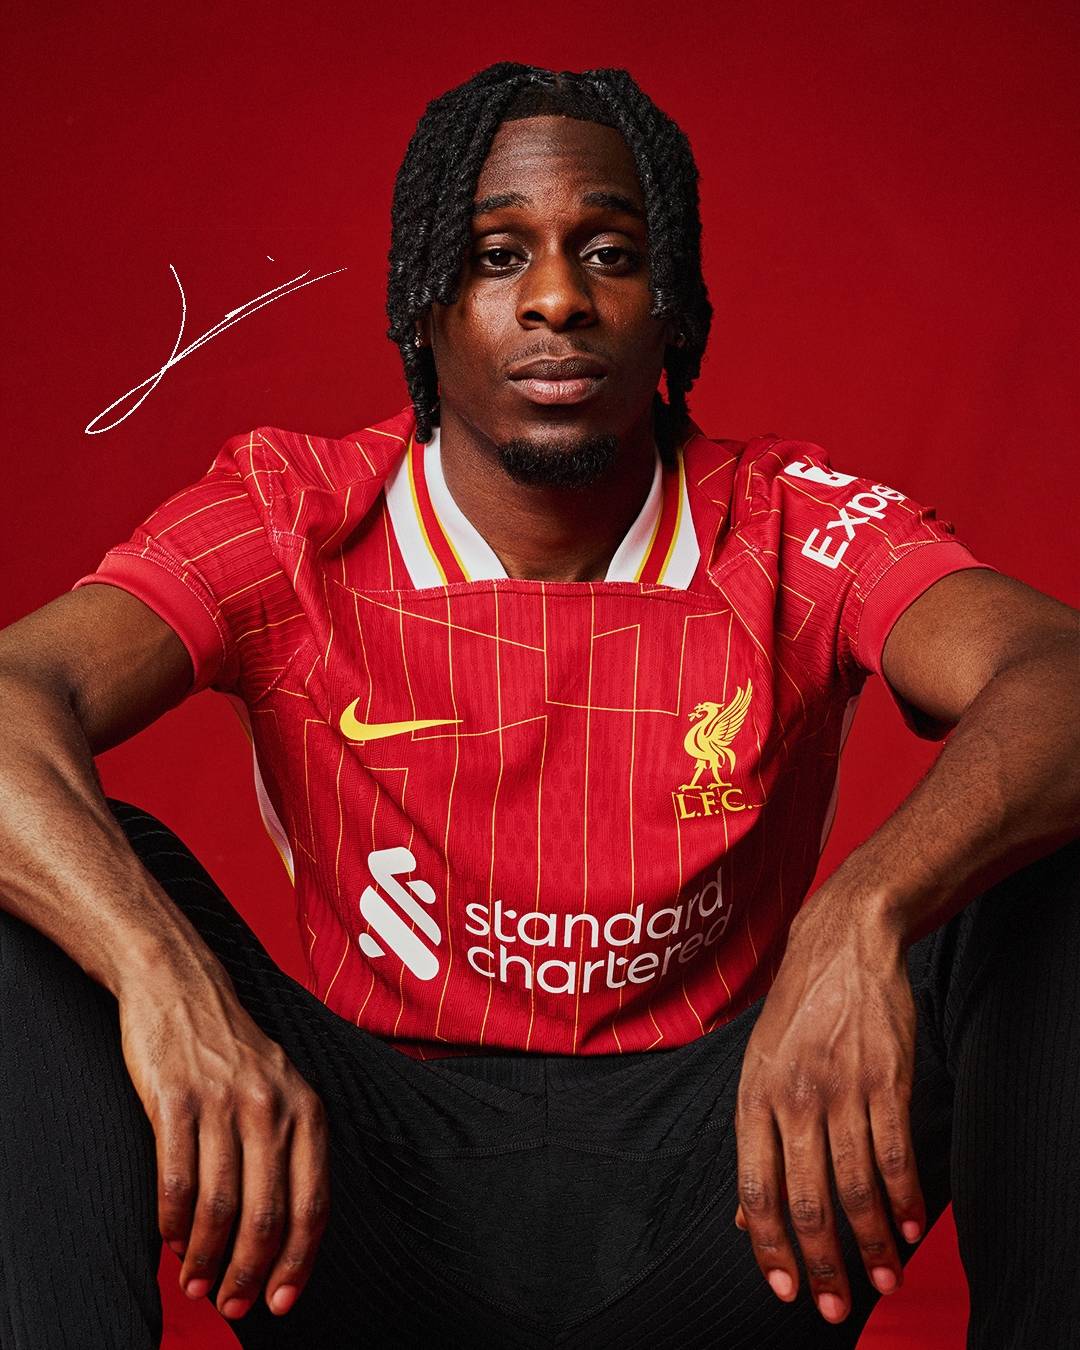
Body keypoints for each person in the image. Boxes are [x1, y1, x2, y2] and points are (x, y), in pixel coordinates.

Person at [0, 61, 1077, 1350]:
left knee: (1045, 851)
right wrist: (160, 975)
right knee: (44, 888)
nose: (557, 299)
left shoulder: (788, 522)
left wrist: (866, 909)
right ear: (424, 304)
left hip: (737, 1203)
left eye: (610, 255)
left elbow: (1059, 674)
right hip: (363, 1203)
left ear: (672, 305)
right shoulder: (292, 518)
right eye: (496, 255)